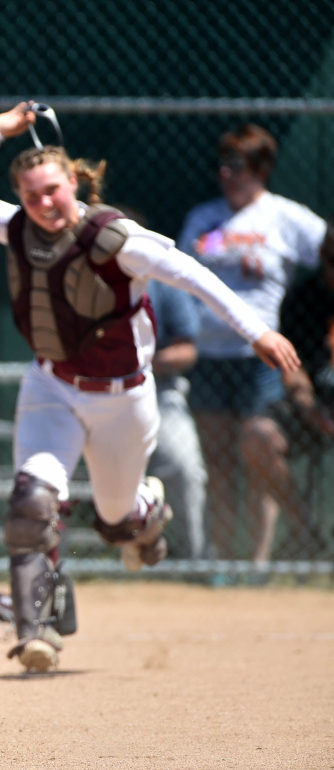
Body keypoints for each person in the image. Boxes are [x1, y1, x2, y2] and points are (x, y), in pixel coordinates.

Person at [0, 102, 301, 673]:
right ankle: (36, 633)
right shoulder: (19, 226)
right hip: (52, 388)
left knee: (115, 523)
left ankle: (143, 509)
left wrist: (257, 331)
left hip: (122, 398)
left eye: (53, 192)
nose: (43, 204)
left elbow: (191, 273)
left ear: (74, 183)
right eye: (32, 195)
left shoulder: (115, 238)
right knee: (31, 504)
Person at [178, 124, 327, 559]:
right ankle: (226, 563)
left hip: (258, 358)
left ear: (261, 168)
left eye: (237, 165)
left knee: (255, 459)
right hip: (209, 356)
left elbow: (327, 251)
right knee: (219, 465)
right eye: (222, 165)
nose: (226, 174)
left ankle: (258, 564)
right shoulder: (204, 219)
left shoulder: (285, 217)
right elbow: (179, 270)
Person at [241, 220, 334, 561]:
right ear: (322, 257)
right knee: (257, 435)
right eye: (332, 263)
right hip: (314, 404)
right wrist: (313, 410)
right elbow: (292, 370)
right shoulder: (303, 298)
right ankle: (305, 528)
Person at [145, 279, 208, 559]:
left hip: (158, 386)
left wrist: (138, 364)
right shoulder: (84, 272)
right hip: (96, 390)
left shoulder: (160, 280)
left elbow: (187, 350)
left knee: (186, 469)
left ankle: (193, 560)